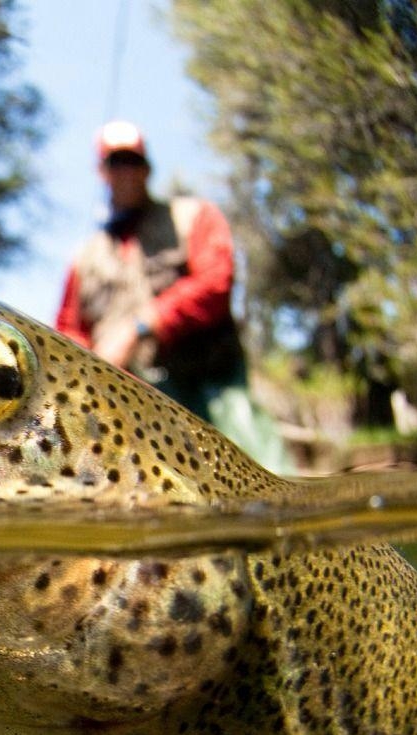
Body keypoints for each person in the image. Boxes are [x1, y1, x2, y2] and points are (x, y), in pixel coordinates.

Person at [56, 120, 291, 472]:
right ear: (102, 171)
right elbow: (67, 330)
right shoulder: (84, 258)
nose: (126, 172)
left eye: (132, 161)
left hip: (213, 390)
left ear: (148, 168)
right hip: (132, 412)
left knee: (263, 476)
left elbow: (216, 283)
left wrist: (141, 325)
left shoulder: (194, 216)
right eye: (116, 163)